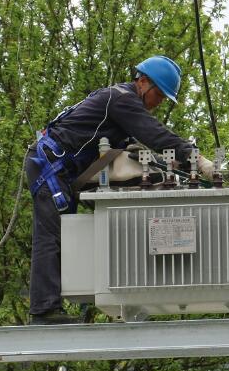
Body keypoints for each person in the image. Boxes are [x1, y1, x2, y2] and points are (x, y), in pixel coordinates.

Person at [24, 55, 215, 324]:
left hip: (60, 168)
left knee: (65, 235)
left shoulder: (120, 103)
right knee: (52, 236)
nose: (158, 103)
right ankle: (44, 312)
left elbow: (141, 147)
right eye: (159, 95)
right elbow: (155, 134)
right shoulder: (123, 99)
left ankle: (53, 306)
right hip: (49, 166)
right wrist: (196, 157)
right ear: (144, 82)